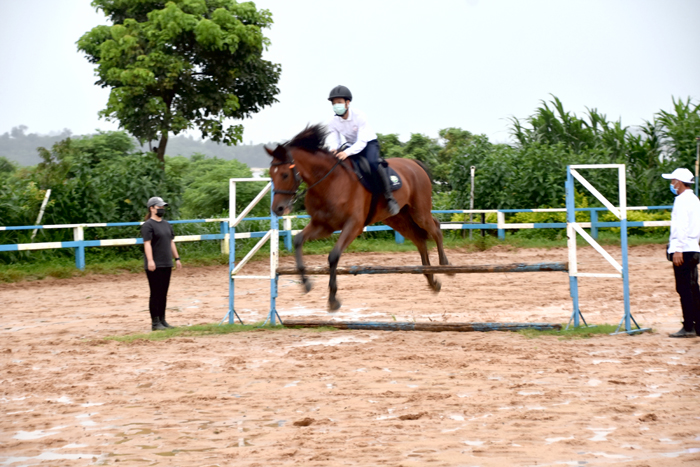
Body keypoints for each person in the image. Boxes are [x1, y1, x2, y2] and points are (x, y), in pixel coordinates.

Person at [326, 85, 400, 216]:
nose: (336, 105)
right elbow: (334, 140)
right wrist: (333, 150)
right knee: (343, 166)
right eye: (334, 103)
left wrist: (346, 153)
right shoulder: (333, 121)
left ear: (347, 103)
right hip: (350, 145)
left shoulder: (360, 116)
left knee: (372, 163)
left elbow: (361, 142)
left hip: (368, 143)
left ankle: (389, 198)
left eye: (339, 102)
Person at [662, 168, 700, 338]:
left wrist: (677, 248)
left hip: (684, 249)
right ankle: (696, 324)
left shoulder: (682, 200)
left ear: (679, 182)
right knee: (693, 287)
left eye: (673, 181)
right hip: (692, 247)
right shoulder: (694, 199)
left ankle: (688, 325)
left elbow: (682, 226)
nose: (672, 184)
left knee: (684, 288)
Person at [141, 196, 182, 331]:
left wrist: (177, 258)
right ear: (152, 208)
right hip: (155, 264)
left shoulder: (166, 224)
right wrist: (151, 260)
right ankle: (155, 322)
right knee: (155, 292)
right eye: (159, 207)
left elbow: (171, 242)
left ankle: (163, 320)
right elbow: (147, 244)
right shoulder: (148, 225)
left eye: (162, 207)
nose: (162, 209)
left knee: (163, 292)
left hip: (166, 262)